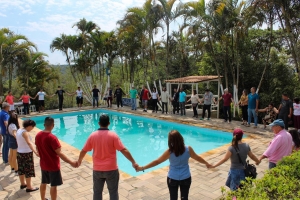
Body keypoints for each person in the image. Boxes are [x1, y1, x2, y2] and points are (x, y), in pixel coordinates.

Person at [136, 130, 211, 200]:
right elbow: (197, 157)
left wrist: (142, 168)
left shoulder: (169, 152)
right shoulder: (188, 149)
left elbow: (157, 162)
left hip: (173, 178)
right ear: (181, 138)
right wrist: (206, 163)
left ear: (170, 141)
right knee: (184, 198)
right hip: (186, 178)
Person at [77, 114, 137, 200]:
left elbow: (84, 150)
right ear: (109, 123)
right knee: (113, 192)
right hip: (111, 169)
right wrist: (133, 162)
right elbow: (123, 150)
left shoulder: (93, 135)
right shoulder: (113, 135)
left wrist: (79, 161)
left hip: (97, 169)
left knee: (97, 192)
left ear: (98, 123)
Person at [35, 117, 78, 200]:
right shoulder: (52, 138)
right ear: (53, 125)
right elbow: (60, 153)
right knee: (53, 185)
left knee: (43, 182)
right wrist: (71, 162)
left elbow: (37, 148)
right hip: (53, 165)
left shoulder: (38, 135)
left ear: (44, 125)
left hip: (43, 164)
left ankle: (42, 198)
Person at [16, 119, 39, 192]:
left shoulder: (19, 130)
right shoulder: (25, 133)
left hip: (19, 153)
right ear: (29, 126)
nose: (32, 129)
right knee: (28, 170)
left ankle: (23, 183)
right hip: (26, 154)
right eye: (32, 127)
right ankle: (29, 187)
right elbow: (29, 143)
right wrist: (35, 152)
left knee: (21, 169)